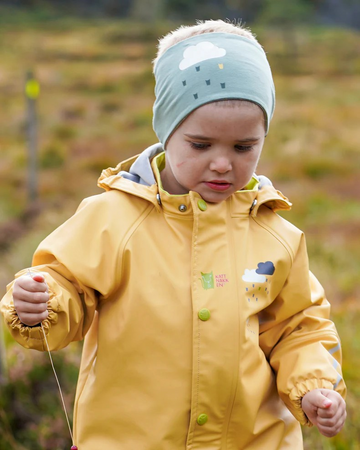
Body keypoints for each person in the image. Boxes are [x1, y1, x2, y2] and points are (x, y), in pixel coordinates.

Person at [1, 19, 346, 449]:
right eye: (201, 145)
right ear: (167, 134)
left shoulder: (277, 235)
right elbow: (67, 284)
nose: (223, 163)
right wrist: (41, 302)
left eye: (243, 147)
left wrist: (314, 384)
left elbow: (299, 327)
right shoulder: (113, 218)